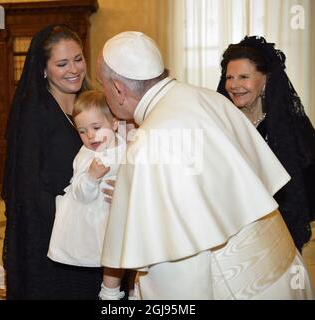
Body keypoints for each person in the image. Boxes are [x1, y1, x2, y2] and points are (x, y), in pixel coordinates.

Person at [96, 31, 314, 299]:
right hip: (285, 271)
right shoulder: (207, 98)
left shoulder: (148, 144)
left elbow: (177, 275)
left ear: (118, 89)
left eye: (102, 85)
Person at [2, 25, 103, 299]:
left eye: (78, 59)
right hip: (55, 240)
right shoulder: (34, 116)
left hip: (97, 232)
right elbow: (27, 191)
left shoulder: (92, 103)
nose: (74, 69)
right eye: (62, 63)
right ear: (43, 69)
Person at [217, 36, 315, 253]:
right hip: (233, 234)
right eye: (229, 77)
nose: (234, 85)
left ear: (265, 80)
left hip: (282, 235)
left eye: (244, 77)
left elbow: (301, 189)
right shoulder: (222, 124)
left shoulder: (290, 129)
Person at [47, 90, 128, 300]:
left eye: (96, 127)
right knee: (105, 253)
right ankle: (108, 292)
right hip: (92, 216)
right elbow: (81, 194)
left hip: (118, 214)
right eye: (82, 131)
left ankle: (125, 290)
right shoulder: (86, 156)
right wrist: (92, 177)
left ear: (114, 123)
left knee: (122, 250)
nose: (90, 136)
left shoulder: (126, 148)